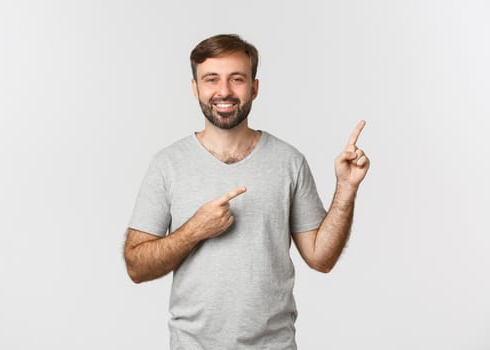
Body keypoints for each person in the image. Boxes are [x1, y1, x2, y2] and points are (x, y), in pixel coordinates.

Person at [124, 34, 370, 350]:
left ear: (254, 88)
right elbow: (136, 266)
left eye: (236, 79)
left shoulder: (288, 161)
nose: (223, 91)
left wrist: (346, 188)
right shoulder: (167, 164)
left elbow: (321, 258)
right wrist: (194, 231)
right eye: (211, 79)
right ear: (195, 88)